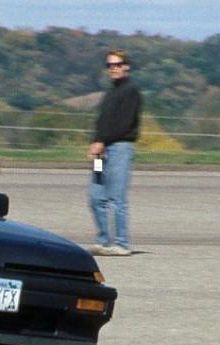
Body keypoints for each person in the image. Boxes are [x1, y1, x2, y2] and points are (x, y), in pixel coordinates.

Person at [88, 48, 142, 257]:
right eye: (110, 65)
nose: (114, 68)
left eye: (118, 64)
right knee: (96, 196)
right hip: (101, 152)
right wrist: (95, 143)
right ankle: (104, 241)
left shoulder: (131, 91)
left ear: (126, 66)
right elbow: (103, 122)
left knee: (116, 197)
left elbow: (123, 124)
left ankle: (122, 243)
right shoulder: (111, 92)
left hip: (119, 148)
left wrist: (102, 142)